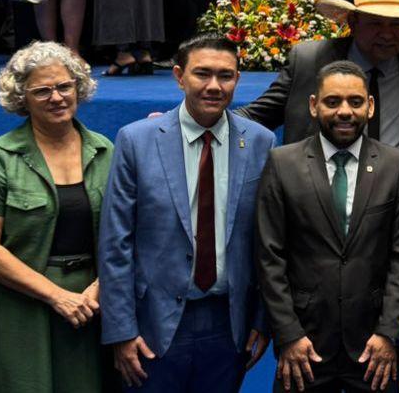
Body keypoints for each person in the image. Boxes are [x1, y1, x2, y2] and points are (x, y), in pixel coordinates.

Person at [98, 33, 274, 392]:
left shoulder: (261, 142)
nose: (214, 85)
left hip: (229, 323)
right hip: (154, 325)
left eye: (225, 75)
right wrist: (121, 330)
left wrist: (262, 318)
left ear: (238, 79)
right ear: (179, 76)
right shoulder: (136, 140)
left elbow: (267, 241)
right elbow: (115, 243)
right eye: (202, 74)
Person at [256, 60, 399, 392]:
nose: (345, 111)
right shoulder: (283, 163)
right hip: (304, 346)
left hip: (375, 347)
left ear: (370, 106)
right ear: (314, 106)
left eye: (355, 102)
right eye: (333, 101)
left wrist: (388, 333)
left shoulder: (395, 164)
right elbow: (270, 256)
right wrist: (288, 334)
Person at [0, 41, 113, 392]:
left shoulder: (105, 149)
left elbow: (124, 234)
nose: (57, 97)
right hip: (20, 308)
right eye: (42, 91)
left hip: (90, 307)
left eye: (65, 86)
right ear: (22, 98)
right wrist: (56, 295)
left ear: (79, 87)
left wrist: (97, 290)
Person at [237, 0, 399, 180]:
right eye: (375, 22)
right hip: (315, 195)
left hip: (391, 201)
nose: (387, 34)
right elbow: (254, 117)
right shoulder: (310, 61)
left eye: (397, 24)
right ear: (353, 23)